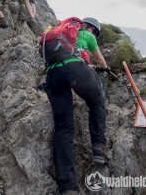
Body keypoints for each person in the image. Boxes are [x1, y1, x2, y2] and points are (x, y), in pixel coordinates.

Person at [45, 17, 110, 195]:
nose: (93, 34)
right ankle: (98, 147)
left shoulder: (60, 34)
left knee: (63, 128)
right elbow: (100, 59)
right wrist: (105, 68)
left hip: (53, 74)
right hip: (76, 69)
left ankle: (68, 186)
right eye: (94, 31)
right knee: (97, 102)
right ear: (89, 27)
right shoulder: (87, 35)